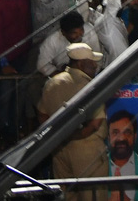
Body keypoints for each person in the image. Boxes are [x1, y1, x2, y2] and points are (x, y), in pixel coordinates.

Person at [37, 42, 108, 201]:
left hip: (60, 151)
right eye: (92, 62)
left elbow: (42, 115)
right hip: (87, 151)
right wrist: (74, 135)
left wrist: (59, 137)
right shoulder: (89, 86)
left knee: (68, 197)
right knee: (93, 195)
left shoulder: (52, 82)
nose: (96, 66)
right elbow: (95, 124)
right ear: (81, 64)